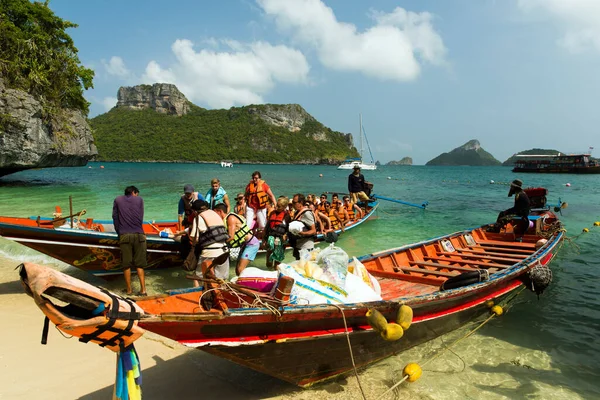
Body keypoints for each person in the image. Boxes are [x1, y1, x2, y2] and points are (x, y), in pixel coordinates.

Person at [112, 185, 147, 296]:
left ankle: (129, 290)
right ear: (133, 192)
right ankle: (143, 290)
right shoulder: (140, 200)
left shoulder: (117, 199)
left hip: (125, 235)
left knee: (126, 264)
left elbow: (115, 217)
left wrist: (119, 232)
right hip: (139, 235)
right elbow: (140, 216)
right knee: (139, 264)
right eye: (136, 194)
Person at [186, 200, 230, 287]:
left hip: (209, 252)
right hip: (224, 251)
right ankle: (220, 296)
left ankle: (199, 295)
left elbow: (193, 237)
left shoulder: (198, 218)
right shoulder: (216, 214)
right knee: (221, 279)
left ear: (195, 211)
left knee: (197, 276)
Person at [213, 203, 259, 276]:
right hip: (244, 245)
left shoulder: (231, 218)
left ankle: (246, 286)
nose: (214, 216)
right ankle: (240, 284)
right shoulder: (224, 220)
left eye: (214, 213)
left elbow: (231, 237)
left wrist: (219, 244)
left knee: (240, 269)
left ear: (220, 211)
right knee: (237, 270)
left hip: (251, 244)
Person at [244, 171, 276, 236]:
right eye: (253, 178)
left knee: (262, 224)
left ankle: (263, 236)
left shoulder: (264, 185)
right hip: (251, 207)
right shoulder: (249, 186)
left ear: (260, 178)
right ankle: (248, 237)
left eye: (256, 178)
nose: (254, 180)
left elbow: (271, 195)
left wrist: (275, 204)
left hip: (261, 208)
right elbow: (246, 195)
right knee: (248, 224)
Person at [289, 193, 317, 260]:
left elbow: (313, 230)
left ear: (301, 202)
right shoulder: (297, 213)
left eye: (294, 202)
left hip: (306, 247)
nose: (292, 204)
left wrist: (302, 233)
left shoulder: (306, 213)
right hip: (298, 245)